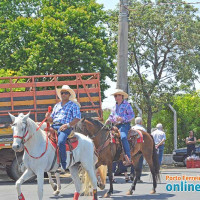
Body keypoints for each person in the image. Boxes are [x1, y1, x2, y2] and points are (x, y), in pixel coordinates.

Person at [46, 85, 81, 171]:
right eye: (62, 93)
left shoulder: (73, 105)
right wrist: (48, 117)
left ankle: (63, 164)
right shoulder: (57, 105)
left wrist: (67, 125)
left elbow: (77, 118)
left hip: (65, 127)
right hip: (54, 125)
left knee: (61, 142)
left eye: (66, 93)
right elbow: (51, 119)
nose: (63, 94)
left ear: (69, 95)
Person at [105, 89, 135, 166]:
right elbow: (111, 116)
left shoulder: (127, 105)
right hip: (115, 126)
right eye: (115, 96)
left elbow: (132, 115)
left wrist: (122, 118)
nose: (116, 97)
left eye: (118, 95)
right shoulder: (114, 106)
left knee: (123, 137)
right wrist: (108, 120)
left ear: (122, 96)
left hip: (124, 125)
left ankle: (128, 157)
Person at [131, 116, 146, 183]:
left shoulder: (132, 128)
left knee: (133, 161)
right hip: (140, 148)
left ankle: (132, 174)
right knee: (139, 162)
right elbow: (145, 139)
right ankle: (138, 177)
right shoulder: (143, 129)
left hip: (132, 148)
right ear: (140, 122)